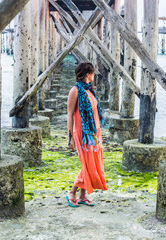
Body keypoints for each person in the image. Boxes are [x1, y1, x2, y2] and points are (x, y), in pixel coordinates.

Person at [66, 62, 108, 207]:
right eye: (93, 73)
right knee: (88, 164)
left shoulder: (90, 91)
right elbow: (70, 114)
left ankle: (82, 195)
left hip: (94, 133)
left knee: (94, 163)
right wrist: (70, 137)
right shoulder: (75, 90)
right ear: (87, 74)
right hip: (82, 134)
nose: (94, 75)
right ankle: (72, 192)